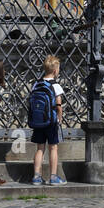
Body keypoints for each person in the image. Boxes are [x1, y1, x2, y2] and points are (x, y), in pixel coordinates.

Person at [29, 54, 66, 186]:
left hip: (39, 121)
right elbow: (58, 106)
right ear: (55, 70)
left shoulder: (36, 84)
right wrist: (59, 119)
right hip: (51, 122)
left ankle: (36, 176)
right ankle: (53, 176)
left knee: (40, 148)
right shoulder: (56, 86)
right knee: (53, 148)